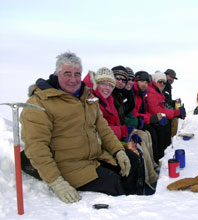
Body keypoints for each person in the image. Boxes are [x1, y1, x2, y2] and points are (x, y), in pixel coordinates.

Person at [20, 52, 138, 203]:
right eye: (67, 74)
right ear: (56, 74)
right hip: (66, 165)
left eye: (77, 74)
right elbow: (36, 147)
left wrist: (118, 151)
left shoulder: (86, 98)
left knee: (131, 163)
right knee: (114, 184)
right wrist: (56, 181)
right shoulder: (39, 103)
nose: (73, 79)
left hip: (92, 157)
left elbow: (104, 130)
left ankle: (136, 205)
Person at [147, 70, 186, 159]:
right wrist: (176, 113)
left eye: (164, 82)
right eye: (160, 81)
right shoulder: (152, 92)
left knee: (166, 125)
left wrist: (176, 111)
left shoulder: (158, 91)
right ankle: (160, 157)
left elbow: (163, 106)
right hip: (150, 119)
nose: (162, 84)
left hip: (156, 116)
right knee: (163, 127)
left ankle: (165, 151)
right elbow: (156, 110)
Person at [163, 68, 181, 137]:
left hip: (166, 109)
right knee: (175, 116)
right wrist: (173, 109)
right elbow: (162, 102)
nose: (172, 79)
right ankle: (171, 138)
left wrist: (175, 102)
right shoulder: (163, 85)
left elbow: (168, 101)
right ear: (165, 75)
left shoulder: (168, 86)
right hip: (161, 111)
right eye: (170, 77)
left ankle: (171, 138)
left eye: (173, 78)